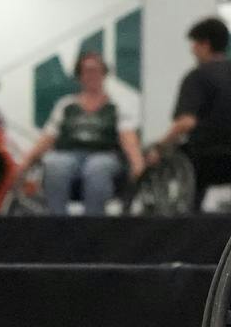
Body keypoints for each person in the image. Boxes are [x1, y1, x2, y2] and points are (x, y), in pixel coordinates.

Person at [151, 18, 231, 210]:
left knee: (179, 155)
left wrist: (159, 147)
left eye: (194, 44)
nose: (192, 50)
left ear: (205, 44)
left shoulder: (196, 77)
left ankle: (189, 217)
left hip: (205, 163)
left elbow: (185, 123)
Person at [19, 52, 144, 216]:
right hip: (68, 155)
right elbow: (47, 138)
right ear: (80, 76)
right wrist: (26, 162)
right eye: (87, 71)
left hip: (104, 155)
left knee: (96, 168)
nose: (92, 75)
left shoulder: (116, 106)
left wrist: (137, 163)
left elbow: (127, 137)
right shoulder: (65, 105)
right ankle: (57, 223)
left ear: (103, 74)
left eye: (96, 70)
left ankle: (92, 225)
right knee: (55, 163)